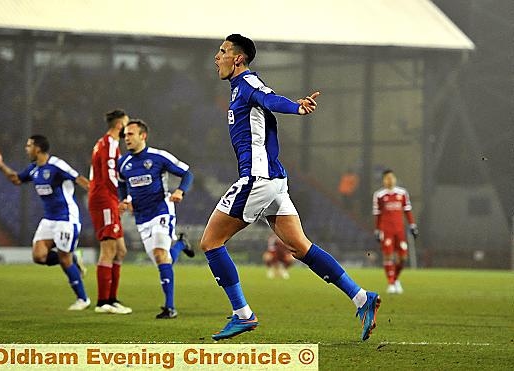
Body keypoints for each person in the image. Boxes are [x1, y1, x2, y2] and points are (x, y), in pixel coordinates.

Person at [200, 34, 380, 341]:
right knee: (300, 247)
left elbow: (270, 98)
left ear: (239, 58)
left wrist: (296, 107)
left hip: (257, 179)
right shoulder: (236, 91)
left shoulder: (248, 84)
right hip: (274, 181)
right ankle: (362, 298)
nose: (217, 57)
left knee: (210, 242)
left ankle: (243, 315)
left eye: (223, 51)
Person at [0, 135, 91, 310]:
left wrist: (100, 196)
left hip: (66, 218)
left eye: (29, 145)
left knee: (64, 259)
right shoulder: (34, 169)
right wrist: (0, 165)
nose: (26, 148)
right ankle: (73, 257)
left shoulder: (57, 165)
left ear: (38, 148)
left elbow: (80, 179)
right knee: (39, 256)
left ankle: (83, 299)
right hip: (49, 219)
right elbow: (16, 179)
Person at [117, 119, 194, 319]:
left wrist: (180, 191)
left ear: (143, 136)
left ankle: (170, 308)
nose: (126, 138)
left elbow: (187, 174)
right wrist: (124, 200)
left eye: (130, 134)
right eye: (125, 135)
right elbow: (122, 184)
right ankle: (180, 245)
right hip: (141, 217)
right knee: (162, 260)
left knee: (160, 255)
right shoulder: (123, 163)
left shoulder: (158, 157)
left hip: (161, 210)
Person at [88, 109, 132, 314]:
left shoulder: (107, 144)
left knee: (120, 250)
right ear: (119, 125)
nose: (129, 128)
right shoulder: (108, 144)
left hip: (108, 198)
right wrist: (118, 200)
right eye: (127, 123)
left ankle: (111, 299)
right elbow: (109, 176)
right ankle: (102, 302)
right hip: (104, 199)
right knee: (108, 250)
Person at [373, 169, 418, 294]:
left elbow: (407, 211)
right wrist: (377, 230)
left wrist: (412, 225)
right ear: (383, 180)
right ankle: (391, 283)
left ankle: (395, 279)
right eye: (387, 178)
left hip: (399, 231)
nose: (390, 180)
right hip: (386, 231)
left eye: (392, 177)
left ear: (395, 179)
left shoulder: (402, 193)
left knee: (403, 257)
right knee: (388, 256)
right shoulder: (379, 195)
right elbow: (377, 215)